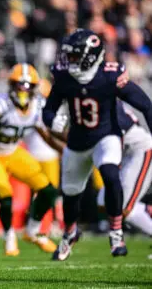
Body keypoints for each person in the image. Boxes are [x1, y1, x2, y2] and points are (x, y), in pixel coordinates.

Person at [43, 29, 152, 261]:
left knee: (111, 174)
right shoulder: (64, 77)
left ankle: (116, 232)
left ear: (91, 56)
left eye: (74, 56)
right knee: (71, 194)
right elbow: (49, 110)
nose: (69, 61)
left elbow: (145, 104)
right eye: (68, 56)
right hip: (77, 141)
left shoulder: (110, 76)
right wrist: (53, 121)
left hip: (106, 135)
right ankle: (70, 233)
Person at [0, 63, 58, 256]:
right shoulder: (0, 104)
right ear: (11, 85)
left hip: (12, 151)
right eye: (19, 84)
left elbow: (45, 135)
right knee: (6, 199)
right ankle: (9, 236)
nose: (23, 89)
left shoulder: (38, 105)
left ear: (34, 87)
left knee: (48, 191)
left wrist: (66, 150)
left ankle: (33, 232)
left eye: (27, 85)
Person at [95, 102, 152, 238]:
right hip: (126, 155)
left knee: (122, 207)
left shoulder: (108, 105)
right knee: (103, 202)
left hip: (142, 151)